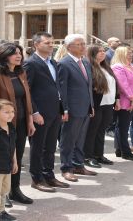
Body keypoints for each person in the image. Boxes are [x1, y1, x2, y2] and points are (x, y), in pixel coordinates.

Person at [0, 43, 35, 206]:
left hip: (20, 122)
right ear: (4, 55)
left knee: (18, 157)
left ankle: (15, 190)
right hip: (3, 124)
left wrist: (30, 119)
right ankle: (3, 193)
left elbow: (26, 98)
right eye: (14, 53)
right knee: (3, 159)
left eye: (19, 52)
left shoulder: (21, 72)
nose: (18, 55)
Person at [24, 32, 70, 194]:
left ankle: (49, 175)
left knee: (50, 147)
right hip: (40, 113)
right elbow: (27, 91)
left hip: (55, 112)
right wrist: (34, 112)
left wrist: (63, 108)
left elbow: (58, 88)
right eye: (47, 43)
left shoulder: (54, 63)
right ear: (36, 45)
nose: (51, 45)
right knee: (38, 147)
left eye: (52, 43)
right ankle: (36, 179)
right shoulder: (31, 63)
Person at [58, 34, 96, 181]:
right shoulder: (64, 63)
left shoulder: (85, 62)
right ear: (69, 47)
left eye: (83, 44)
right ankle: (66, 168)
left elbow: (88, 86)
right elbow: (62, 89)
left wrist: (91, 105)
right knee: (68, 139)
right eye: (79, 44)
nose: (83, 47)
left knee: (80, 138)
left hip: (85, 107)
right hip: (72, 109)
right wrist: (64, 109)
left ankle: (78, 164)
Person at [83, 45, 118, 168]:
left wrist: (117, 100)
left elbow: (115, 84)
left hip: (108, 103)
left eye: (104, 51)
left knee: (101, 131)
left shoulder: (106, 67)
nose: (103, 53)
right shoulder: (90, 67)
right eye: (100, 52)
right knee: (92, 131)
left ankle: (99, 155)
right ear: (93, 54)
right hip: (97, 104)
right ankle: (88, 156)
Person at [110, 46, 133, 161]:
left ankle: (119, 149)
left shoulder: (130, 66)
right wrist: (131, 97)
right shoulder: (118, 67)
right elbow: (123, 84)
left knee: (123, 126)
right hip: (126, 100)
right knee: (123, 127)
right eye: (127, 53)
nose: (130, 55)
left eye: (131, 53)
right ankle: (125, 151)